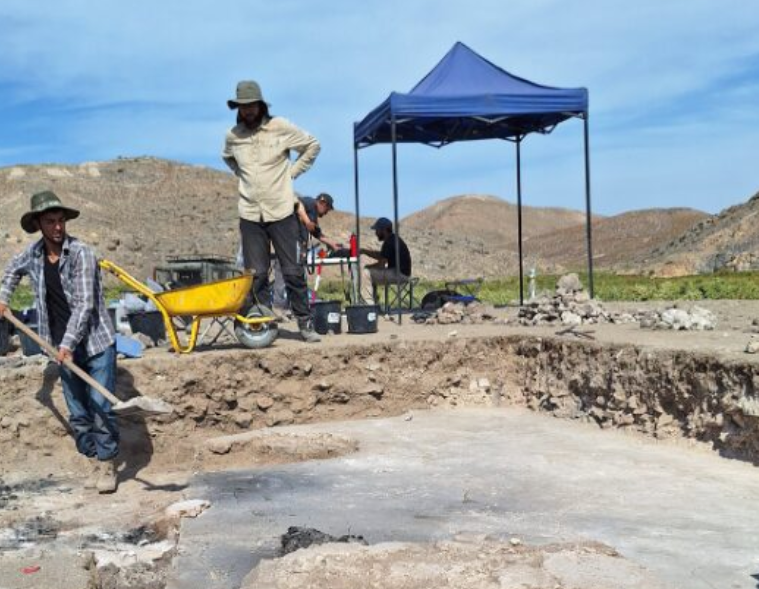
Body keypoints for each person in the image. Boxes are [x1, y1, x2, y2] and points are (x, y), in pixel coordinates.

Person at [0, 190, 119, 493]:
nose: (57, 227)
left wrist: (67, 345)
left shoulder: (81, 254)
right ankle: (93, 458)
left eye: (60, 220)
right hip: (59, 346)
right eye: (50, 221)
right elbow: (12, 270)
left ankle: (107, 465)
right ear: (38, 223)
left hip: (94, 342)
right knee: (78, 412)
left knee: (100, 406)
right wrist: (3, 299)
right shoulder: (33, 254)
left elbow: (84, 306)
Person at [222, 80, 322, 342]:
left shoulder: (281, 127)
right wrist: (241, 174)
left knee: (292, 270)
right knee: (255, 275)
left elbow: (313, 145)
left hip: (281, 211)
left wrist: (291, 173)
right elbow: (228, 157)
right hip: (250, 214)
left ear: (261, 105)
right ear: (238, 108)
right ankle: (258, 325)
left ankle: (305, 324)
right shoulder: (233, 135)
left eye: (252, 106)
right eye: (243, 107)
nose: (248, 112)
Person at [273, 192, 340, 311]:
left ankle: (290, 306)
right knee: (284, 274)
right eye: (327, 209)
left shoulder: (312, 213)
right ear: (322, 203)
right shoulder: (309, 203)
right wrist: (307, 222)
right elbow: (298, 204)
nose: (325, 213)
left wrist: (331, 243)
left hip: (295, 245)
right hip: (288, 243)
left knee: (295, 276)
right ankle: (279, 306)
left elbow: (315, 232)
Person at [359, 217, 412, 304]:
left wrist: (368, 267)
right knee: (371, 273)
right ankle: (373, 301)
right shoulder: (393, 239)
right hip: (403, 274)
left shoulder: (389, 242)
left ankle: (368, 303)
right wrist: (364, 251)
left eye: (377, 230)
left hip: (398, 274)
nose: (376, 233)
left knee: (365, 273)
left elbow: (381, 264)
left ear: (383, 230)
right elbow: (381, 256)